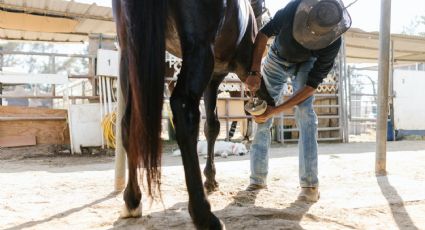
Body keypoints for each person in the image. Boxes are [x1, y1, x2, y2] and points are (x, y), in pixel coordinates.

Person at [244, 0, 352, 202]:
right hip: (276, 58)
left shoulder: (334, 42)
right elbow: (263, 34)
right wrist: (254, 71)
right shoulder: (294, 8)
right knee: (261, 114)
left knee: (306, 114)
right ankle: (257, 179)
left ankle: (310, 184)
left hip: (306, 65)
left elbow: (310, 87)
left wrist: (275, 111)